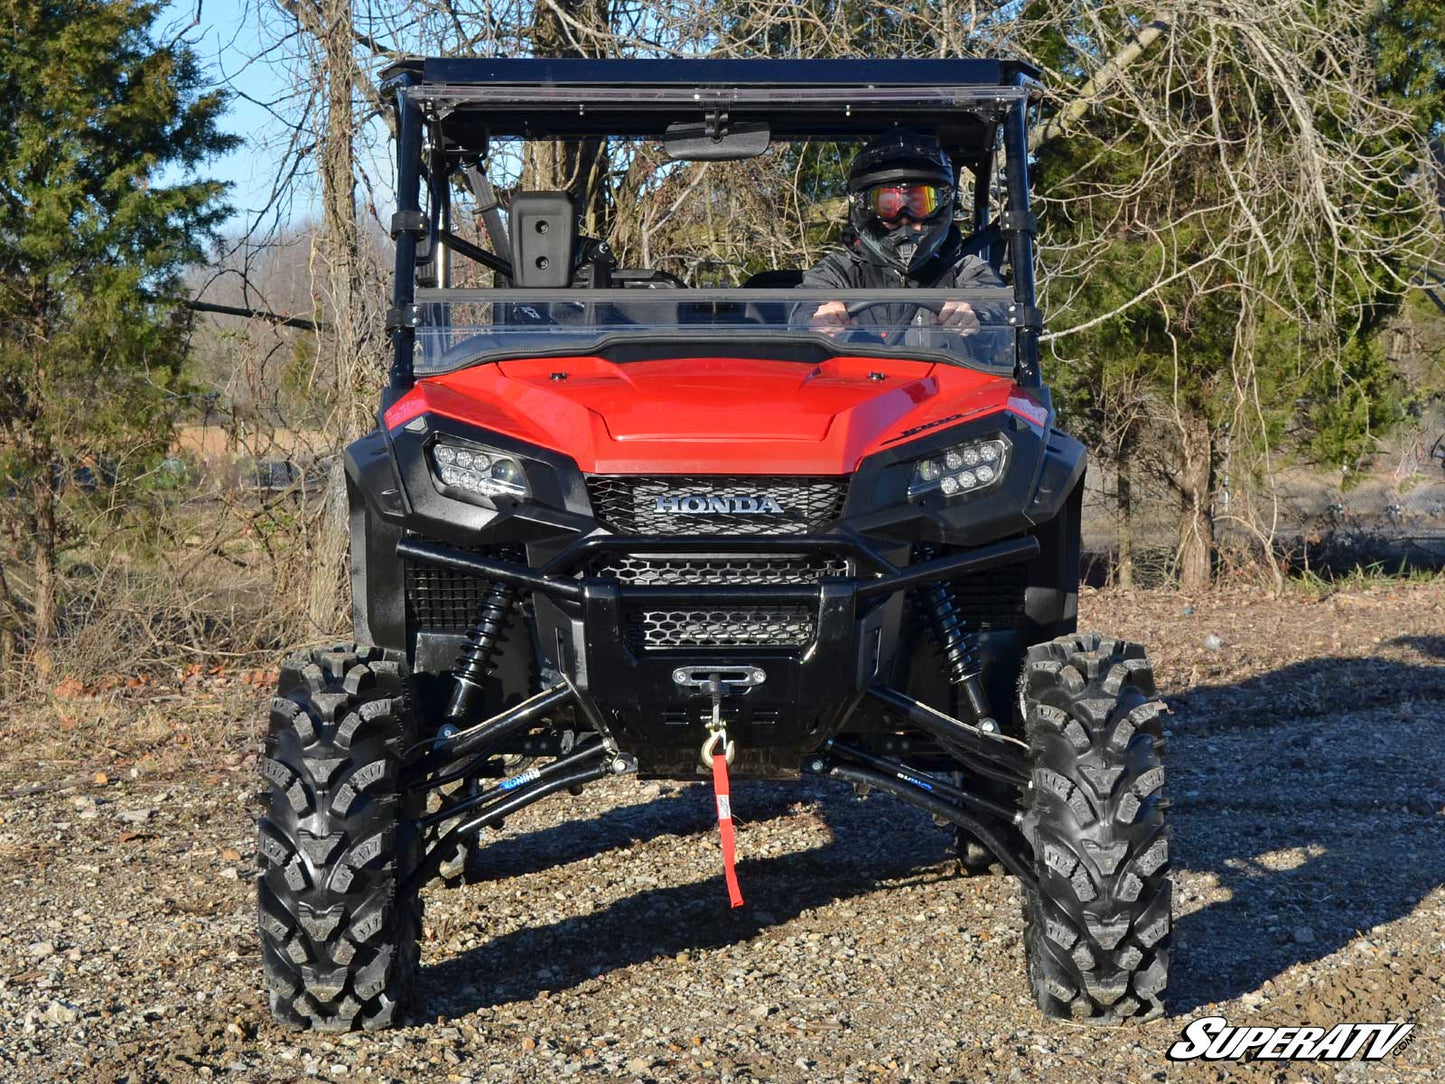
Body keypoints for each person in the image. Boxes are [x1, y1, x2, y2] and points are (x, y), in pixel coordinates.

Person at [802, 129, 1003, 340]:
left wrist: (976, 315)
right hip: (851, 373)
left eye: (920, 203)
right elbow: (801, 308)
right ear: (863, 207)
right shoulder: (838, 271)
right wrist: (817, 320)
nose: (904, 218)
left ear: (943, 204)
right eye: (888, 206)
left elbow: (994, 305)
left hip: (944, 373)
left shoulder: (965, 269)